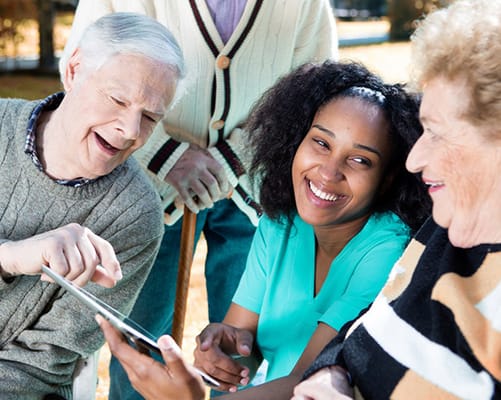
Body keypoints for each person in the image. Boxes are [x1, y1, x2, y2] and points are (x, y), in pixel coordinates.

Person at [97, 59, 432, 400]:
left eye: (360, 160)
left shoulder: (390, 251)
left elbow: (309, 382)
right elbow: (244, 338)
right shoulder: (281, 223)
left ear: (389, 177)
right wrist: (227, 351)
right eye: (321, 143)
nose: (329, 171)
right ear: (295, 141)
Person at [60, 2, 338, 398]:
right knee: (142, 356)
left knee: (244, 359)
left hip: (256, 194)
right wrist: (165, 155)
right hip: (148, 191)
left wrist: (232, 158)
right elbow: (81, 69)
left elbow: (317, 89)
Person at [290, 0, 501, 399]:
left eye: (436, 133)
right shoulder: (442, 230)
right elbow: (361, 333)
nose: (416, 159)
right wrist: (329, 374)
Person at [0, 12, 184, 399]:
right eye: (118, 99)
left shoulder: (135, 214)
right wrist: (10, 257)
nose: (132, 131)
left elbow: (41, 366)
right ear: (73, 69)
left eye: (150, 117)